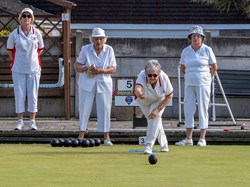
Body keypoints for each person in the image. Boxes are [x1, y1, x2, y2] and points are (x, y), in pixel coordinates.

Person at [175, 25, 218, 147]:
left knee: (203, 109)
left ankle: (202, 138)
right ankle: (188, 138)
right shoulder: (185, 51)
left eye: (198, 36)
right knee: (188, 109)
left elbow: (214, 67)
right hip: (189, 83)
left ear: (202, 38)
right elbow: (182, 67)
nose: (195, 38)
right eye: (193, 36)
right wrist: (190, 76)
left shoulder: (207, 50)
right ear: (190, 38)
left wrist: (206, 77)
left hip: (203, 83)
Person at [74, 27, 117, 146]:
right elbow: (76, 65)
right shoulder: (85, 49)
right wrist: (86, 68)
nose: (98, 41)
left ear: (104, 39)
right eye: (96, 39)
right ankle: (81, 134)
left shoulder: (109, 50)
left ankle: (106, 137)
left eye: (101, 39)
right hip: (86, 83)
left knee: (105, 109)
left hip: (104, 83)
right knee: (84, 108)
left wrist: (102, 71)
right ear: (92, 39)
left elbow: (113, 68)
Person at [7, 8, 44, 130]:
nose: (26, 18)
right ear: (20, 18)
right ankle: (20, 121)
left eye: (29, 16)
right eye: (24, 16)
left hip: (34, 70)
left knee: (33, 95)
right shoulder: (14, 34)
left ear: (32, 19)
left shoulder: (37, 33)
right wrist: (20, 60)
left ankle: (32, 121)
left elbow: (40, 49)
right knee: (19, 95)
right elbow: (10, 50)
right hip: (18, 70)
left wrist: (31, 59)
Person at [134, 60, 173, 154]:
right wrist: (139, 93)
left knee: (153, 119)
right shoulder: (141, 75)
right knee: (155, 122)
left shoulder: (164, 77)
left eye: (155, 75)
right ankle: (164, 145)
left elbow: (169, 96)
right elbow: (137, 88)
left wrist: (157, 110)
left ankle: (148, 145)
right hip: (143, 101)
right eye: (150, 75)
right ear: (146, 73)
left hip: (159, 100)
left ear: (159, 74)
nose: (152, 77)